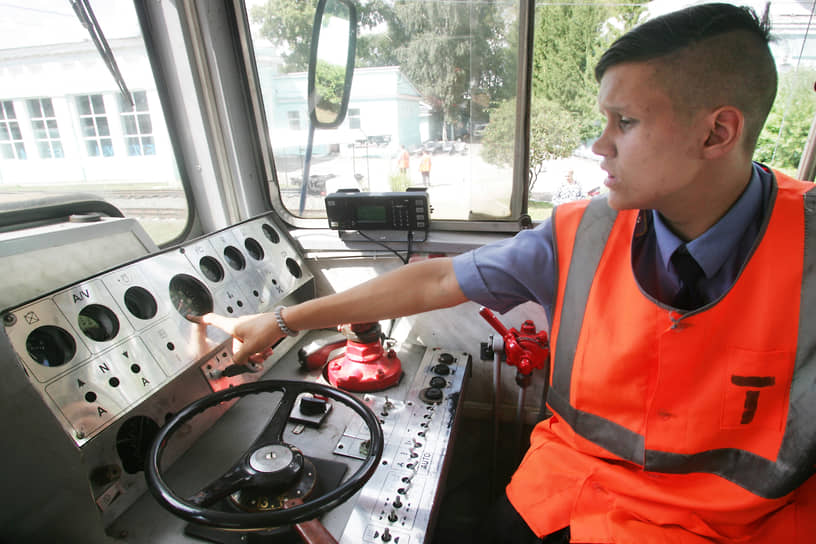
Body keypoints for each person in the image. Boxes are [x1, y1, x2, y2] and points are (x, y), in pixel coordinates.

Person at [192, 4, 816, 542]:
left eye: (625, 123)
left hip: (731, 526)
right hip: (572, 490)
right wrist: (279, 319)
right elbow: (434, 281)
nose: (600, 146)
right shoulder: (583, 233)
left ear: (718, 132)